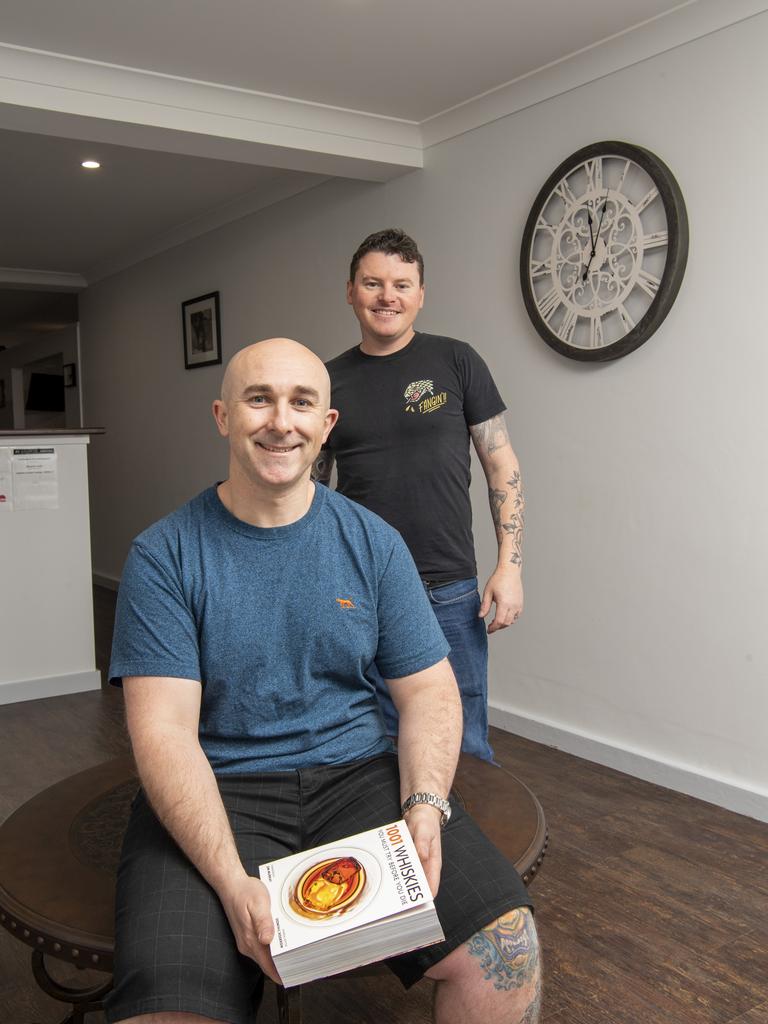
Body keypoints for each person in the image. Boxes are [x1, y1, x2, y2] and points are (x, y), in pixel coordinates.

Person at [105, 338, 539, 1024]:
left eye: (302, 402)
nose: (282, 421)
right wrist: (227, 880)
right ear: (223, 417)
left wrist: (425, 803)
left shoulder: (374, 543)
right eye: (259, 399)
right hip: (219, 788)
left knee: (506, 951)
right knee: (169, 1011)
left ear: (326, 425)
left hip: (358, 778)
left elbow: (428, 690)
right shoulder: (164, 556)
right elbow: (162, 733)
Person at [317, 229, 525, 763]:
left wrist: (510, 566)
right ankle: (396, 847)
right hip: (358, 589)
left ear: (420, 294)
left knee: (465, 735)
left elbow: (500, 462)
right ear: (350, 291)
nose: (388, 296)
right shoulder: (325, 381)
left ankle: (467, 847)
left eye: (401, 284)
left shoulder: (457, 360)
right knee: (373, 741)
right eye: (373, 283)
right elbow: (310, 489)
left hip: (449, 588)